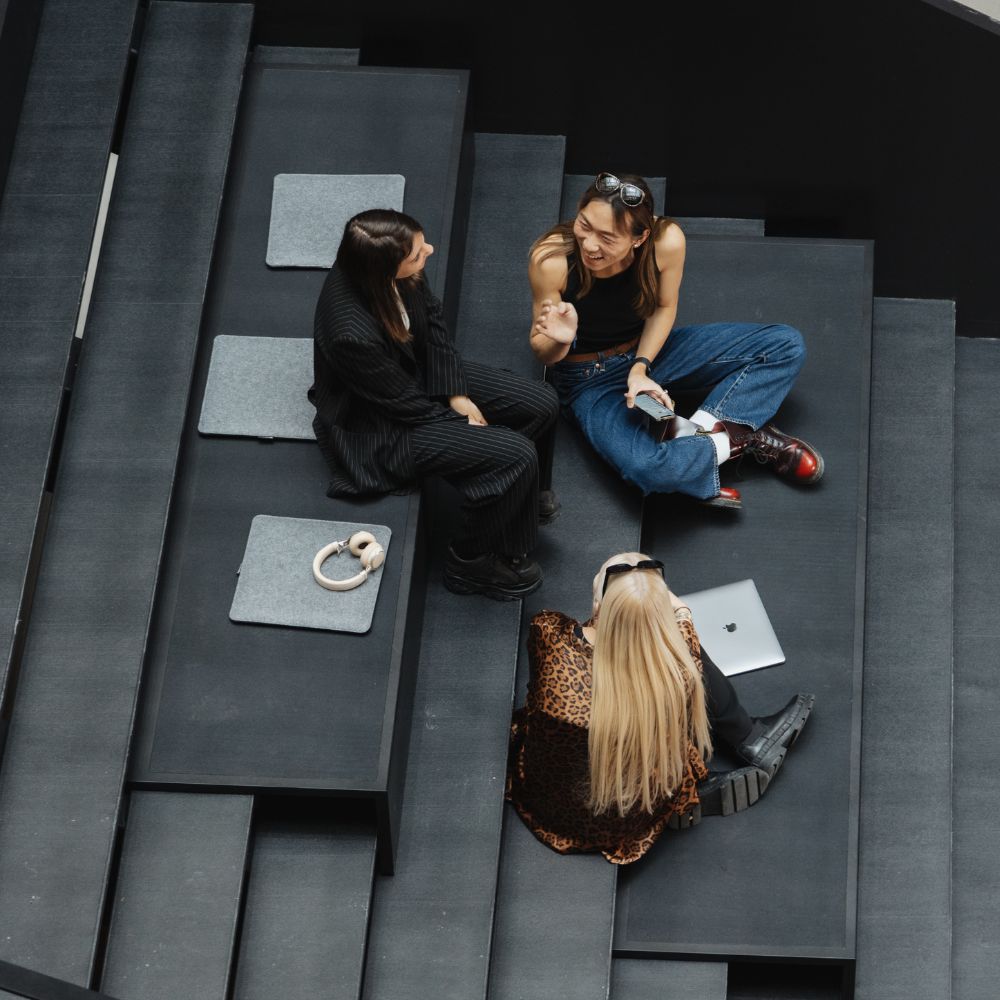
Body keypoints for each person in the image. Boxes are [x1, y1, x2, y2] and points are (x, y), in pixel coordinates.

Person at [528, 172, 824, 509]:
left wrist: (640, 369)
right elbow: (544, 354)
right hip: (586, 379)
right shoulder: (551, 260)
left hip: (647, 350)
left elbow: (664, 308)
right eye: (584, 225)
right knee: (646, 470)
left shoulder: (666, 241)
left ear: (639, 238)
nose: (590, 244)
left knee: (785, 345)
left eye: (607, 238)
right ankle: (737, 438)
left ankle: (698, 445)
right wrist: (561, 340)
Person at [310, 208, 560, 600]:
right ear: (387, 268)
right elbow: (400, 403)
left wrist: (457, 393)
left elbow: (434, 323)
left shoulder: (396, 268)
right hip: (381, 425)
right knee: (514, 455)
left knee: (541, 401)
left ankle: (519, 500)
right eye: (417, 253)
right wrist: (461, 425)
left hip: (412, 373)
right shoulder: (350, 333)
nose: (429, 250)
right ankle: (470, 562)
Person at [506, 552, 814, 864]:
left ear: (598, 606)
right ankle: (714, 768)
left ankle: (704, 780)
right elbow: (683, 628)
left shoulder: (548, 635)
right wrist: (673, 611)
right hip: (629, 817)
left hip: (545, 805)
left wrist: (619, 608)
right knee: (681, 669)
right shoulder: (680, 675)